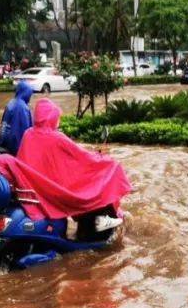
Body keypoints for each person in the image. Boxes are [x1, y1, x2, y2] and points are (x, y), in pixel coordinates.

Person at [14, 99, 130, 233]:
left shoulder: (28, 134)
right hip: (53, 193)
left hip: (32, 194)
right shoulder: (57, 138)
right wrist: (104, 160)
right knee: (111, 168)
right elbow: (82, 157)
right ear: (52, 117)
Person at [0, 80, 34, 155]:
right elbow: (25, 130)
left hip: (3, 146)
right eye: (30, 93)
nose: (30, 96)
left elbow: (4, 127)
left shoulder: (11, 103)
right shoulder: (22, 108)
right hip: (15, 149)